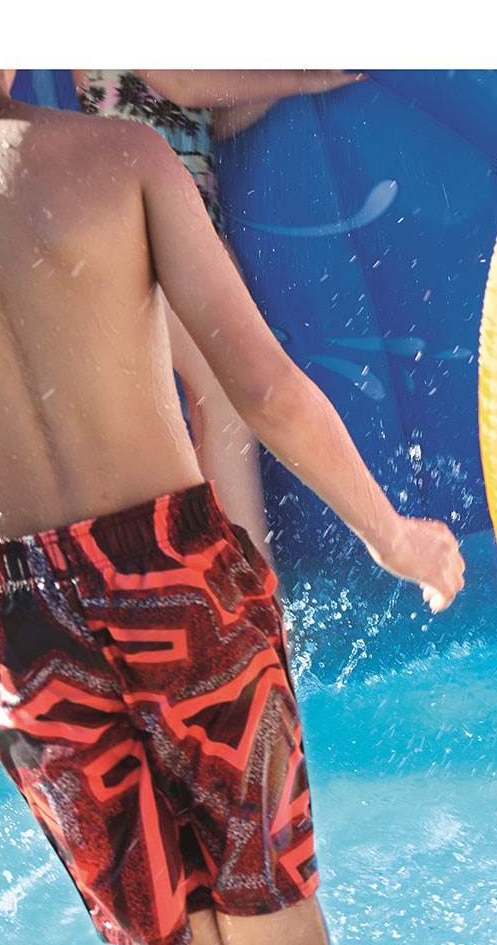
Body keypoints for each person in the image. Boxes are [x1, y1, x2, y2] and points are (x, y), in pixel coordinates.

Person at [0, 66, 463, 945]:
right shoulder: (119, 161)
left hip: (16, 623)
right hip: (173, 579)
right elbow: (265, 390)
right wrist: (389, 536)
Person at [69, 71, 366, 571]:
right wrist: (304, 73)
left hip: (178, 226)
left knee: (216, 409)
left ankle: (239, 579)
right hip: (138, 227)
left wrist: (287, 82)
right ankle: (249, 585)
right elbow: (186, 85)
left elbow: (210, 116)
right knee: (224, 405)